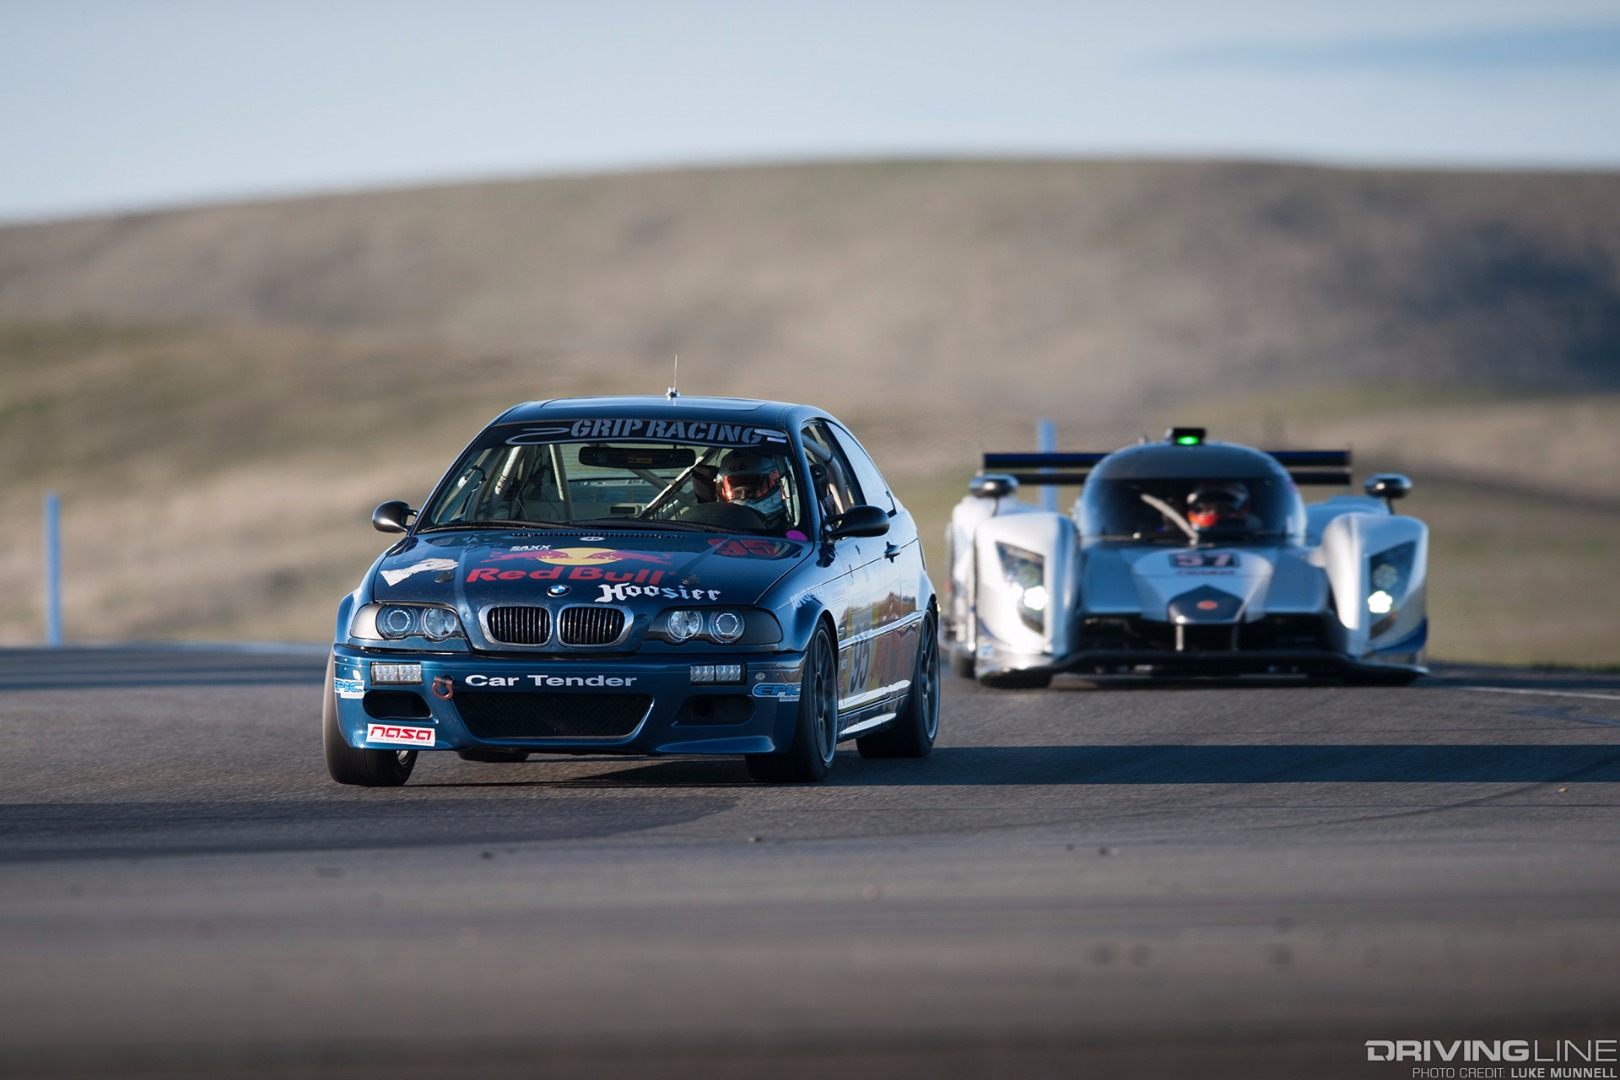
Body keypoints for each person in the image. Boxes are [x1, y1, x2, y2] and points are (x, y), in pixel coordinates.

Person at [716, 450, 787, 528]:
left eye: (754, 484)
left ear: (779, 485)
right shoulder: (708, 523)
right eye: (735, 484)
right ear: (722, 488)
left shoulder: (794, 528)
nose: (743, 495)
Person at [1186, 481, 1250, 530]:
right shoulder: (1182, 545)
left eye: (1222, 509)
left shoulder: (1256, 540)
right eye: (1208, 508)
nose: (1213, 513)